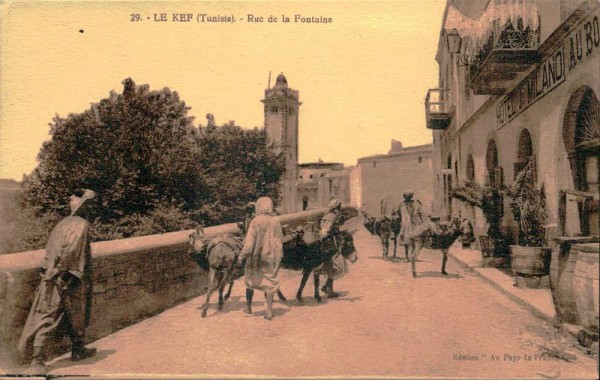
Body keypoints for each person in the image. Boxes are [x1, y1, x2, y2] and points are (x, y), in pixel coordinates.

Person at [19, 189, 98, 375]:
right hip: (65, 276)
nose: (70, 197)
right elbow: (70, 251)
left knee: (72, 314)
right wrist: (62, 274)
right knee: (50, 316)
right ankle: (37, 361)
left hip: (57, 274)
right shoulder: (80, 224)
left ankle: (78, 349)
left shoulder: (64, 223)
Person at [238, 197, 284, 320]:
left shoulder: (255, 221)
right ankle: (269, 311)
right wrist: (278, 256)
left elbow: (249, 244)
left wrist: (242, 255)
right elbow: (280, 241)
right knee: (270, 282)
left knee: (250, 280)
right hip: (271, 256)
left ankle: (248, 307)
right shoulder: (276, 221)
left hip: (256, 257)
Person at [319, 197, 347, 298]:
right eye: (338, 206)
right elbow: (324, 231)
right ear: (335, 207)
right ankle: (327, 288)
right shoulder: (330, 217)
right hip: (328, 245)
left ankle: (329, 289)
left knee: (332, 267)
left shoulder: (333, 216)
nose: (340, 208)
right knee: (336, 266)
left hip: (331, 244)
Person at [398, 190, 424, 262]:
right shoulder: (403, 204)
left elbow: (421, 214)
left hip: (412, 225)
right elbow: (422, 214)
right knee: (409, 241)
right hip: (409, 225)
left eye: (408, 196)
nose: (407, 197)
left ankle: (410, 256)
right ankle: (409, 257)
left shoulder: (403, 204)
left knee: (411, 241)